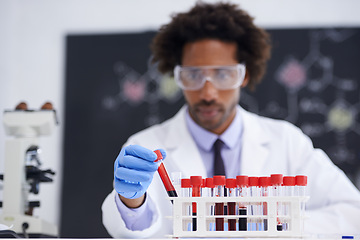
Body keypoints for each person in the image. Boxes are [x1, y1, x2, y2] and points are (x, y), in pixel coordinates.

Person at [102, 2, 360, 238]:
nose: (207, 93)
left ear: (244, 75)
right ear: (176, 75)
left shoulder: (287, 141)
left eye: (224, 75)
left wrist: (275, 224)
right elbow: (131, 233)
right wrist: (131, 202)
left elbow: (352, 214)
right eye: (193, 75)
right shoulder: (146, 145)